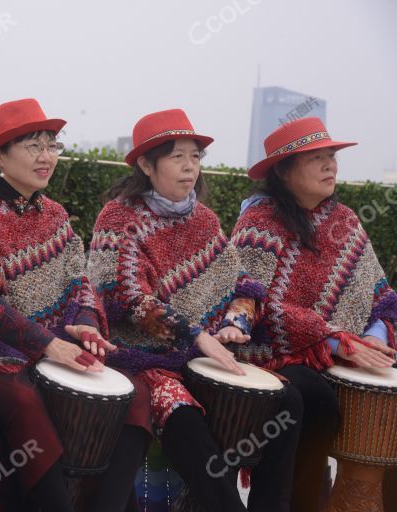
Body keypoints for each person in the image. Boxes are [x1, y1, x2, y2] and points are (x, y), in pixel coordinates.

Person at [0, 98, 151, 512]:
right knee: (24, 399)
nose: (46, 157)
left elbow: (80, 285)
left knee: (135, 396)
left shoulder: (56, 215)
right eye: (33, 146)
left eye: (52, 146)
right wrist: (47, 346)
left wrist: (86, 324)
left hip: (50, 346)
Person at [88, 109, 302, 512]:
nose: (190, 167)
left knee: (288, 401)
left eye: (196, 156)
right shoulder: (119, 216)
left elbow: (242, 284)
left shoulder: (203, 219)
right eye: (177, 157)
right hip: (142, 360)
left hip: (202, 354)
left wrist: (235, 323)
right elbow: (122, 294)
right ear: (146, 165)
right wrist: (195, 334)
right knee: (182, 416)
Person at [231, 116, 397, 511]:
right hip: (273, 353)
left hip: (342, 352)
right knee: (312, 396)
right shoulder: (259, 222)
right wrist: (333, 339)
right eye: (317, 159)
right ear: (284, 171)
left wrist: (374, 337)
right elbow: (253, 303)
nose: (330, 166)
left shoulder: (345, 221)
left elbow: (380, 296)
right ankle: (298, 501)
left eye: (332, 157)